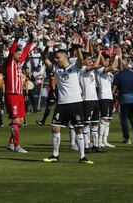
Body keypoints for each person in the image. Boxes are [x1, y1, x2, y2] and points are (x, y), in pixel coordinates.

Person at [42, 35, 93, 164]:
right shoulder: (56, 69)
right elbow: (44, 59)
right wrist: (47, 47)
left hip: (75, 103)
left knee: (78, 129)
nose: (57, 60)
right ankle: (55, 155)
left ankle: (82, 156)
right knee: (54, 127)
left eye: (58, 58)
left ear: (65, 57)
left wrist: (77, 47)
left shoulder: (74, 67)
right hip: (62, 104)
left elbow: (81, 60)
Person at [4, 29, 33, 153]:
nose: (20, 55)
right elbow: (11, 52)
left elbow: (26, 53)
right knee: (15, 121)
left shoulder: (18, 64)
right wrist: (16, 40)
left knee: (20, 121)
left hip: (20, 94)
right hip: (12, 94)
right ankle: (17, 146)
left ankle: (11, 143)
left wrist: (30, 41)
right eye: (18, 53)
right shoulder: (9, 62)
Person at [112, 57, 133, 144]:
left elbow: (113, 90)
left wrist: (111, 97)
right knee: (132, 116)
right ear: (127, 64)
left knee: (124, 119)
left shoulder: (118, 75)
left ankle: (127, 138)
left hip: (124, 98)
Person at [96, 53, 118, 148]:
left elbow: (118, 69)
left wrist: (119, 59)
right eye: (107, 60)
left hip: (109, 96)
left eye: (109, 60)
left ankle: (105, 140)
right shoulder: (99, 69)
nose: (108, 62)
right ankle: (99, 140)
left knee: (108, 119)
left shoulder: (108, 71)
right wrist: (116, 57)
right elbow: (112, 68)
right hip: (103, 96)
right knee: (104, 118)